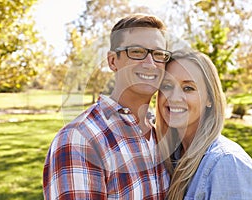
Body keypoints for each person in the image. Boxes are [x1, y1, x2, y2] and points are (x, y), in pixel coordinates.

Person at [43, 14, 172, 199]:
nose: (150, 63)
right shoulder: (80, 140)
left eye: (159, 54)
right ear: (113, 61)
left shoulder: (161, 135)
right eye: (136, 51)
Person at [155, 50, 252, 199]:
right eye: (167, 86)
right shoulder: (173, 156)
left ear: (210, 98)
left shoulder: (227, 164)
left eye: (188, 88)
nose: (174, 98)